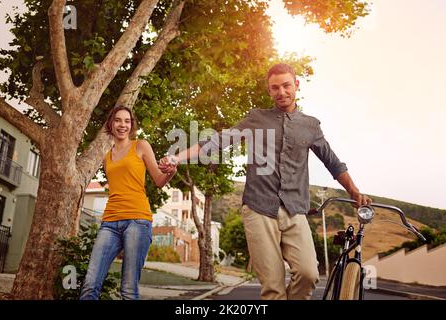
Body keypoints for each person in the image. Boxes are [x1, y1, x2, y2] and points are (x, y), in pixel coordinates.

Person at [159, 63, 372, 300]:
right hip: (259, 209)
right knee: (273, 287)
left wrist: (354, 191)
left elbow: (333, 162)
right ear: (269, 91)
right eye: (275, 88)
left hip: (295, 210)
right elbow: (217, 141)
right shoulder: (256, 119)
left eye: (286, 86)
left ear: (296, 85)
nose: (281, 92)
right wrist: (176, 157)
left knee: (308, 273)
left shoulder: (311, 125)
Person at [79, 105, 176, 300]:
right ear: (110, 124)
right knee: (90, 284)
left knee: (128, 290)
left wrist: (170, 173)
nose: (122, 125)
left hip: (137, 221)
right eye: (118, 120)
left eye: (127, 121)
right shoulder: (107, 157)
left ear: (131, 125)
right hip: (110, 222)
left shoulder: (140, 146)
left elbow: (158, 179)